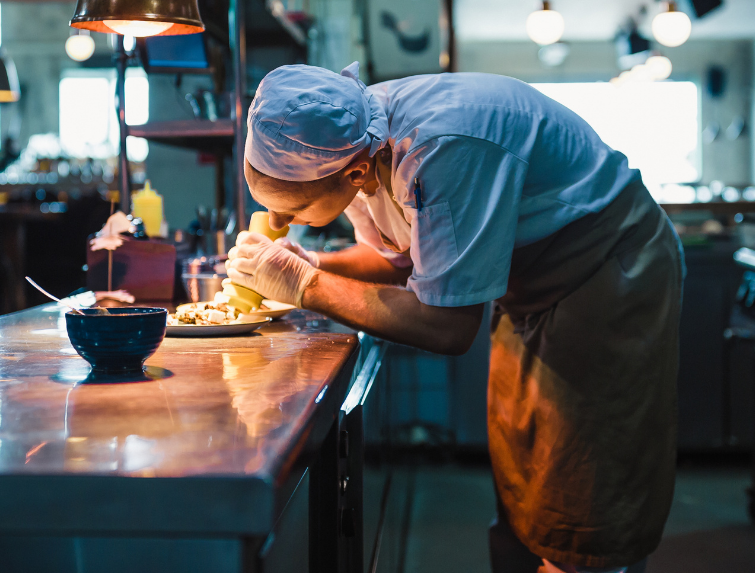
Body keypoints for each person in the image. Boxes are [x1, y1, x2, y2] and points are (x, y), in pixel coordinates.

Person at [227, 63, 682, 573]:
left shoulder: (442, 148)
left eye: (295, 210)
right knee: (527, 472)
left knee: (586, 486)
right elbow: (398, 261)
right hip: (529, 285)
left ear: (354, 173)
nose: (283, 223)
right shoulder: (349, 142)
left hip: (604, 271)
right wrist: (313, 263)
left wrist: (303, 284)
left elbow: (446, 325)